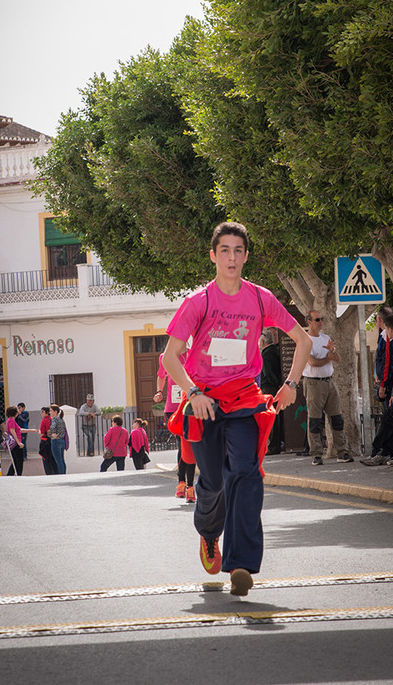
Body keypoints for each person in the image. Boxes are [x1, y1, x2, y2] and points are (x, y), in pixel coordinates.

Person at [163, 221, 311, 597]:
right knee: (213, 483)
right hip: (205, 403)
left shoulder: (261, 299)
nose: (231, 257)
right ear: (213, 256)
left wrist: (291, 384)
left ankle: (241, 564)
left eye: (238, 251)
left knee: (246, 474)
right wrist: (193, 392)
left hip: (245, 400)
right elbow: (170, 357)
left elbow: (304, 340)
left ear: (246, 256)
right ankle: (209, 533)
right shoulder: (199, 302)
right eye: (225, 250)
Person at [302, 311, 353, 465]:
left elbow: (337, 359)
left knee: (337, 418)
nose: (320, 322)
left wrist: (332, 352)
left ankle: (342, 452)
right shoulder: (305, 340)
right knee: (315, 420)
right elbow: (312, 362)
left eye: (321, 319)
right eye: (317, 319)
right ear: (309, 322)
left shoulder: (325, 338)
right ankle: (316, 454)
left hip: (329, 381)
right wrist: (328, 358)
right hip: (313, 383)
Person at [361, 314, 393, 466]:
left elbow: (389, 366)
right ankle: (382, 452)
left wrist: (385, 385)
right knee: (390, 419)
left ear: (390, 329)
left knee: (390, 419)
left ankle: (380, 451)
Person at [154, 351, 196, 501]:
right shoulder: (165, 356)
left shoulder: (193, 353)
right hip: (172, 409)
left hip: (189, 406)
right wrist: (159, 391)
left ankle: (188, 487)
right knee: (182, 445)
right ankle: (183, 484)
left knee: (189, 445)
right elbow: (161, 375)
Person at [260, 329, 284, 455]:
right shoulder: (275, 351)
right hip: (275, 387)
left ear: (262, 342)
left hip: (269, 388)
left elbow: (267, 373)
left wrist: (275, 383)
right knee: (276, 416)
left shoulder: (265, 354)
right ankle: (277, 444)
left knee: (271, 418)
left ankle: (273, 446)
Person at [374, 306, 393, 412]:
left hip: (389, 384)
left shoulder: (387, 336)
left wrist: (383, 384)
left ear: (380, 319)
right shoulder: (384, 335)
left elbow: (387, 361)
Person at [5, 405, 37, 476]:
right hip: (15, 444)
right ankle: (18, 475)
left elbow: (19, 430)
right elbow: (13, 431)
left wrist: (31, 430)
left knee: (15, 460)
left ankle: (10, 475)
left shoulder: (10, 420)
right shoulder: (11, 421)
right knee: (19, 461)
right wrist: (19, 442)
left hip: (14, 443)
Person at [48, 404, 68, 475]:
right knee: (61, 460)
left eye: (51, 411)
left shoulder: (54, 419)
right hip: (62, 441)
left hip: (56, 441)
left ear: (55, 411)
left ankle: (61, 475)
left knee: (58, 460)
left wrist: (53, 434)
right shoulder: (61, 419)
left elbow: (53, 427)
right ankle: (63, 473)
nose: (49, 412)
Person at [39, 406, 58, 475]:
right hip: (51, 440)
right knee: (52, 458)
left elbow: (42, 433)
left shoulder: (44, 420)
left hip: (45, 441)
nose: (42, 413)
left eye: (43, 412)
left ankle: (49, 473)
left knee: (46, 459)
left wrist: (40, 432)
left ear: (47, 412)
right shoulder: (51, 419)